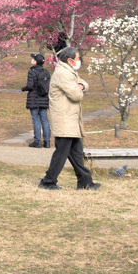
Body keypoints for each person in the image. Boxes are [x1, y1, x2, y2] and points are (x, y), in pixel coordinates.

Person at [38, 47, 100, 191]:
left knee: (76, 153)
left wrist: (80, 86)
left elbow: (84, 84)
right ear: (70, 60)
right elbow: (76, 95)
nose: (79, 61)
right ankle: (48, 181)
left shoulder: (70, 71)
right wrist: (79, 87)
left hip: (70, 120)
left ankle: (85, 182)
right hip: (64, 119)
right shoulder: (62, 73)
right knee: (61, 153)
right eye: (77, 59)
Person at [22, 53, 51, 148]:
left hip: (34, 99)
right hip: (44, 98)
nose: (32, 60)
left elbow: (30, 86)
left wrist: (24, 88)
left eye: (33, 59)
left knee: (36, 120)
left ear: (36, 61)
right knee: (45, 120)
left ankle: (37, 141)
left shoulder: (32, 72)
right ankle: (47, 142)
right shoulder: (46, 72)